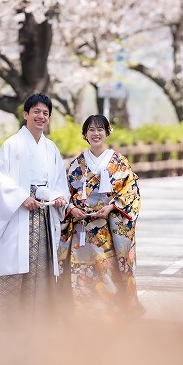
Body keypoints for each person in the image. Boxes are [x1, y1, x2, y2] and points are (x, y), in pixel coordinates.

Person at [0, 93, 69, 329]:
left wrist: (59, 197)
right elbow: (0, 181)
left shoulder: (51, 149)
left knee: (42, 268)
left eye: (45, 113)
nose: (41, 117)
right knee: (16, 268)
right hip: (18, 216)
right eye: (36, 112)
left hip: (43, 216)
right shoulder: (12, 145)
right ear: (25, 114)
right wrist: (22, 197)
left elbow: (58, 182)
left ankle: (39, 326)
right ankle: (13, 328)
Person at [59, 114, 144, 318]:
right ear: (85, 135)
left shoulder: (119, 162)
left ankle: (113, 310)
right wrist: (71, 209)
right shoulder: (76, 164)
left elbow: (131, 191)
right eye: (91, 130)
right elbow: (64, 191)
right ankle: (84, 311)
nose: (96, 133)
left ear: (107, 132)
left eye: (100, 129)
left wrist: (112, 207)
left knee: (109, 268)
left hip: (108, 228)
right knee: (82, 268)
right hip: (82, 227)